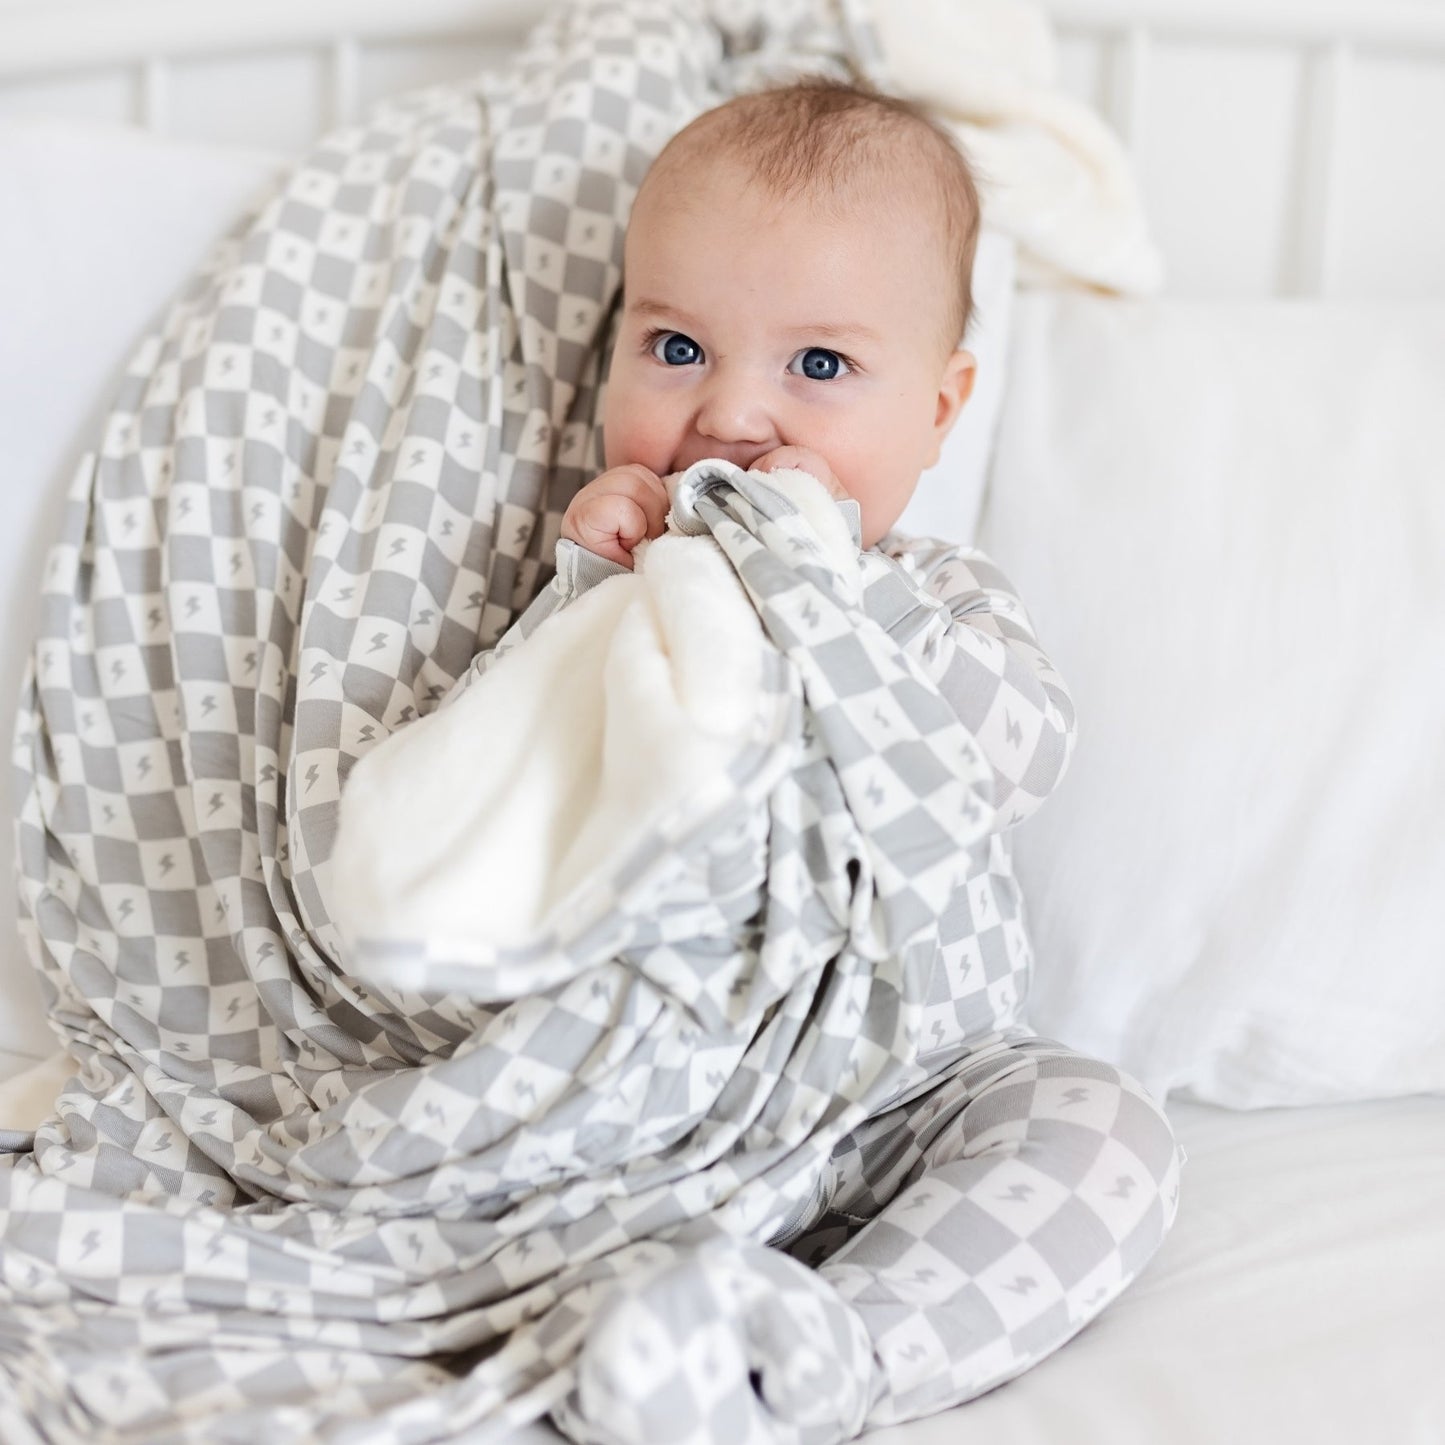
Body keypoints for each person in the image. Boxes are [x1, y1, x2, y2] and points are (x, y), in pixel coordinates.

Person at [537, 78, 1186, 1442]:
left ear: (940, 410)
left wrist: (832, 592)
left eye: (818, 367)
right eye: (672, 346)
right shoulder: (616, 578)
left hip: (898, 1089)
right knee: (503, 1153)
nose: (728, 417)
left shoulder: (930, 591)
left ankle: (815, 1355)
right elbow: (523, 793)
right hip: (653, 1088)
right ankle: (627, 1308)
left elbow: (1014, 754)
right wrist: (582, 598)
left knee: (1097, 1128)